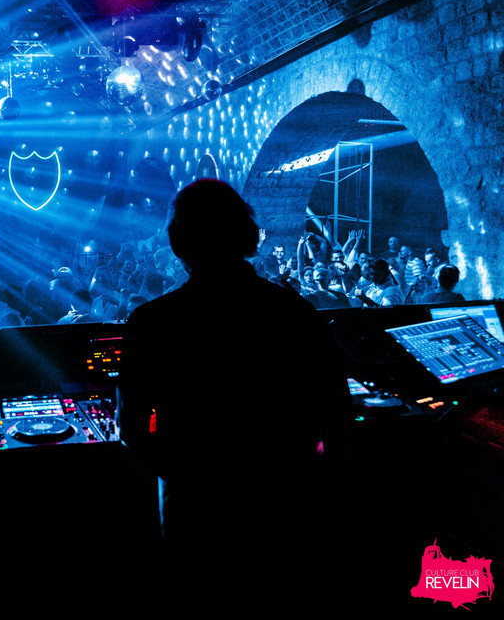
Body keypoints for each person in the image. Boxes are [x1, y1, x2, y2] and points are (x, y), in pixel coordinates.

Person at [117, 179, 351, 602]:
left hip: (197, 513)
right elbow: (336, 413)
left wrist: (191, 478)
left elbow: (131, 427)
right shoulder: (296, 313)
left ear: (178, 243)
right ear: (246, 236)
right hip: (285, 506)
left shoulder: (153, 322)